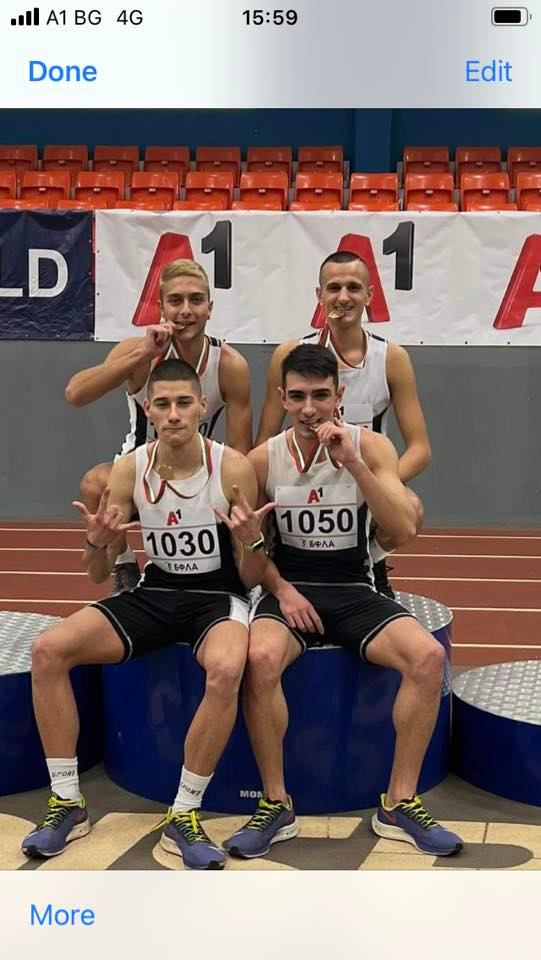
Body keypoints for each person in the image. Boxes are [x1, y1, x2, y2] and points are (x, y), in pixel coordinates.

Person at [22, 358, 271, 870]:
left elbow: (250, 577)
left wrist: (252, 542)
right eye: (162, 404)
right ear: (147, 410)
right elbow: (97, 574)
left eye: (183, 403)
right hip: (155, 592)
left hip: (216, 596)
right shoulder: (129, 469)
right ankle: (67, 802)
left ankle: (184, 812)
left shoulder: (231, 468)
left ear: (202, 407)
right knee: (48, 650)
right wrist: (98, 542)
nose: (173, 413)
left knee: (227, 667)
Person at [223, 344, 463, 860]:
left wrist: (353, 464)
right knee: (259, 657)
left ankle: (399, 803)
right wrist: (279, 586)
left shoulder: (371, 447)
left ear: (340, 396)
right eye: (297, 397)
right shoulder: (262, 460)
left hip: (354, 587)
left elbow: (403, 530)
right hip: (290, 588)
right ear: (282, 398)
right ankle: (275, 804)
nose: (309, 408)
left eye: (320, 396)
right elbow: (248, 569)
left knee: (427, 657)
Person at [65, 258, 253, 594]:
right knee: (95, 484)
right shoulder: (138, 352)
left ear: (210, 308)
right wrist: (143, 353)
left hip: (198, 471)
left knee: (244, 487)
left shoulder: (229, 365)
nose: (186, 311)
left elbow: (241, 449)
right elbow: (75, 394)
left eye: (196, 300)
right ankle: (124, 565)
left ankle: (235, 570)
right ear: (161, 307)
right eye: (175, 301)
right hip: (141, 469)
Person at [256, 250, 431, 597]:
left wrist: (375, 484)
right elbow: (265, 438)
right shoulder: (289, 355)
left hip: (361, 477)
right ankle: (277, 572)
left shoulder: (391, 358)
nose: (343, 297)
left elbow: (420, 449)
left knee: (409, 507)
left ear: (369, 295)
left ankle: (369, 564)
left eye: (354, 287)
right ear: (319, 295)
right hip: (299, 484)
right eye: (334, 288)